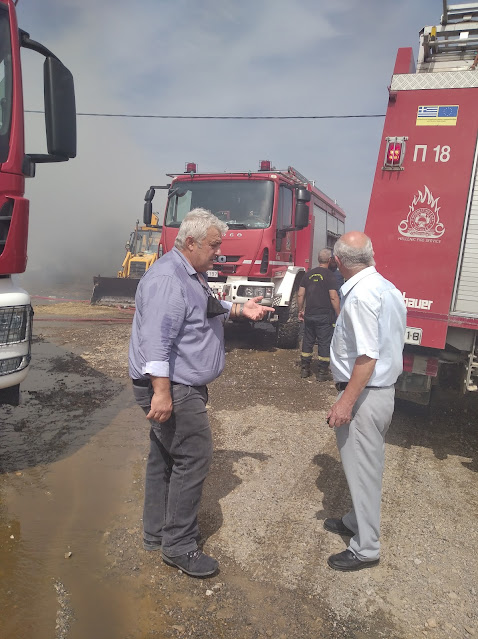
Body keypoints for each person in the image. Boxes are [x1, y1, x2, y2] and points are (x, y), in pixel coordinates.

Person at [129, 208, 274, 578]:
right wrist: (162, 393)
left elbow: (204, 306)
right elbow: (156, 344)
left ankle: (156, 534)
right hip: (174, 388)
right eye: (214, 245)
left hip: (179, 385)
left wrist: (239, 308)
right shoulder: (168, 279)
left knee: (164, 457)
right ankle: (179, 545)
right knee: (194, 456)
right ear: (190, 242)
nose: (218, 252)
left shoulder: (188, 273)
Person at [324, 231, 406, 572]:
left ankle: (366, 548)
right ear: (371, 255)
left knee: (363, 472)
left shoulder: (359, 296)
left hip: (365, 395)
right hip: (381, 393)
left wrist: (345, 403)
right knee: (367, 465)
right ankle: (355, 520)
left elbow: (367, 357)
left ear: (338, 262)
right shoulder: (387, 288)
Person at [297, 248, 340, 381]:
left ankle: (305, 369)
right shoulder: (330, 276)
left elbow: (300, 294)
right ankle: (322, 372)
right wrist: (339, 313)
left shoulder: (308, 275)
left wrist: (300, 310)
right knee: (324, 342)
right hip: (324, 316)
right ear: (329, 260)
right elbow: (333, 297)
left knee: (307, 341)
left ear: (318, 259)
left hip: (309, 314)